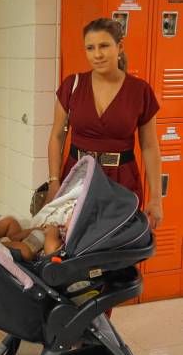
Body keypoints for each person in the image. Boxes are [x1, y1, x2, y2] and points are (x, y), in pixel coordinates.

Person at [47, 18, 162, 229]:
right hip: (77, 178)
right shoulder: (72, 85)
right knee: (71, 247)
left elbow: (149, 146)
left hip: (121, 182)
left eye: (104, 46)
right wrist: (54, 181)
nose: (97, 55)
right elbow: (56, 136)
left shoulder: (140, 91)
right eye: (90, 48)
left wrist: (156, 198)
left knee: (113, 250)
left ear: (119, 47)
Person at [0, 184, 83, 260]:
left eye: (72, 216)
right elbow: (35, 232)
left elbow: (50, 252)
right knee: (11, 222)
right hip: (25, 240)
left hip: (31, 256)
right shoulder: (61, 228)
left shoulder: (67, 241)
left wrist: (51, 233)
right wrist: (25, 233)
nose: (68, 217)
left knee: (24, 250)